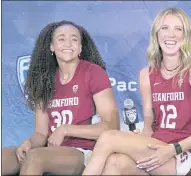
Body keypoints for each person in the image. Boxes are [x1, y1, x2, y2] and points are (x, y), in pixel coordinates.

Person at [82, 7, 191, 175]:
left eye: (178, 29)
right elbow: (149, 126)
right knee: (114, 162)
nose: (171, 34)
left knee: (108, 137)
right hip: (156, 151)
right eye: (165, 28)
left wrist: (174, 149)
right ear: (156, 33)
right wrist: (138, 139)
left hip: (184, 154)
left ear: (186, 36)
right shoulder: (146, 75)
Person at [1, 20, 119, 175]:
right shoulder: (45, 80)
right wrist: (29, 143)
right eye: (61, 39)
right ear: (51, 47)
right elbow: (41, 134)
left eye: (74, 39)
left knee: (36, 158)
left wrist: (65, 129)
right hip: (49, 151)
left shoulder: (93, 73)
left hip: (84, 151)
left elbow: (111, 127)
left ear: (80, 48)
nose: (68, 43)